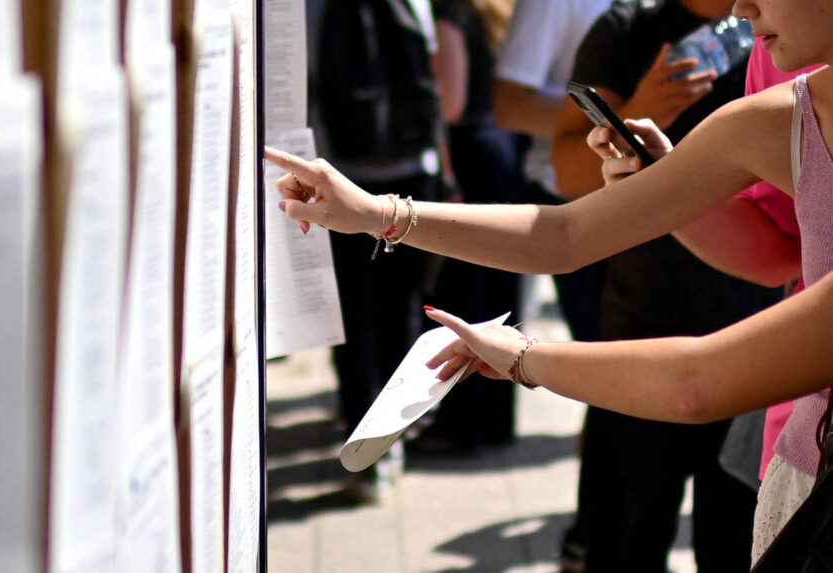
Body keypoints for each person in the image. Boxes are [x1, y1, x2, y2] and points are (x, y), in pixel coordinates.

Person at [267, 0, 833, 562]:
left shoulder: (781, 107)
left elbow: (697, 382)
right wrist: (375, 213)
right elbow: (564, 234)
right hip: (802, 461)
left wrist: (523, 358)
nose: (739, 5)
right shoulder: (778, 114)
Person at [550, 1, 783, 569]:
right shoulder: (629, 27)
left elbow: (785, 242)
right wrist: (642, 109)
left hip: (763, 345)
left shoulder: (786, 33)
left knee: (736, 551)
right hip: (641, 336)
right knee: (623, 545)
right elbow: (566, 175)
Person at [586, 41, 822, 486]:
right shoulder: (773, 57)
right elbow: (781, 250)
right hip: (801, 430)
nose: (741, 8)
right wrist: (664, 181)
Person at [308, 0, 445, 501]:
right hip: (410, 170)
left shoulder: (310, 8)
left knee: (351, 313)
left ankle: (363, 438)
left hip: (339, 175)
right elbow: (434, 77)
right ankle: (390, 438)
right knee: (401, 308)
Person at [413, 0, 524, 451]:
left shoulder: (451, 11)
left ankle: (462, 427)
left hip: (470, 154)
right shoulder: (493, 10)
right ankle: (493, 423)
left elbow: (451, 103)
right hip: (498, 146)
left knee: (465, 293)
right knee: (497, 290)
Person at [493, 0, 611, 345]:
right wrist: (623, 120)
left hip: (649, 196)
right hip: (571, 198)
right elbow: (510, 105)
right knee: (609, 366)